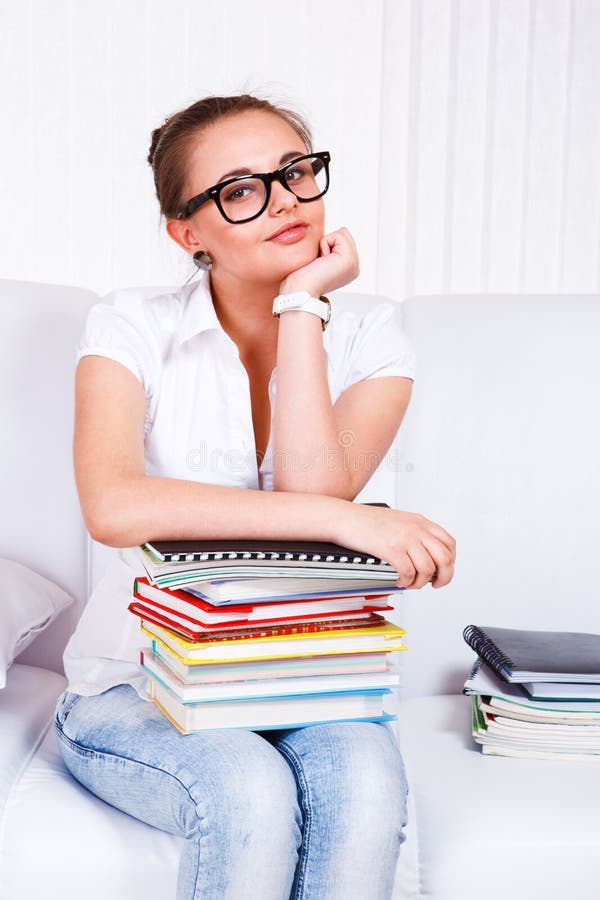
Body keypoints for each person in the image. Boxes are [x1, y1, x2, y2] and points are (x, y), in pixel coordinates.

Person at [54, 93, 456, 900]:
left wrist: (303, 304)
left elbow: (314, 479)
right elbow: (114, 505)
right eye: (242, 190)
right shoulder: (129, 325)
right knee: (247, 788)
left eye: (297, 173)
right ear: (186, 232)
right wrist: (342, 523)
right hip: (138, 686)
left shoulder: (372, 335)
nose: (287, 202)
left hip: (308, 679)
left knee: (368, 792)